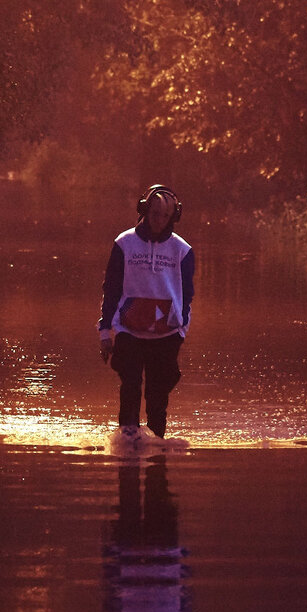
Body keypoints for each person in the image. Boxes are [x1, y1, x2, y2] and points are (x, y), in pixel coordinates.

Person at [99, 184, 195, 439]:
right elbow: (111, 288)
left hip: (167, 334)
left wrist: (182, 329)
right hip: (128, 329)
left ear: (174, 216)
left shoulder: (182, 251)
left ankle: (156, 448)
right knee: (129, 387)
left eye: (166, 216)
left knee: (157, 396)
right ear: (144, 211)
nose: (159, 221)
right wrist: (104, 331)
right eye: (154, 214)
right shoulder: (124, 243)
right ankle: (128, 445)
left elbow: (187, 296)